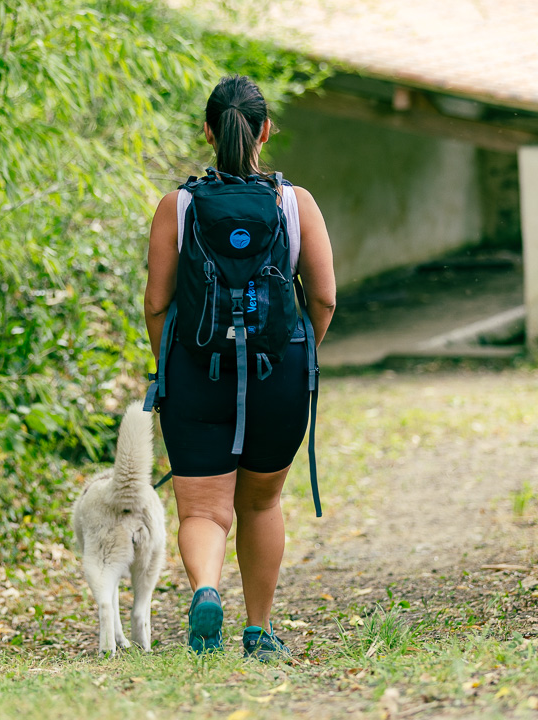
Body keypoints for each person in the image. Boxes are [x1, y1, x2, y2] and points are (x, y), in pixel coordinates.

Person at [143, 74, 336, 660]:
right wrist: (299, 347)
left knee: (202, 507)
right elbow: (323, 298)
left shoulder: (177, 206)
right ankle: (258, 631)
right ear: (265, 131)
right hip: (279, 372)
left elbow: (157, 302)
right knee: (260, 502)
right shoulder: (294, 203)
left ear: (207, 130)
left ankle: (206, 591)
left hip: (197, 372)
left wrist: (172, 363)